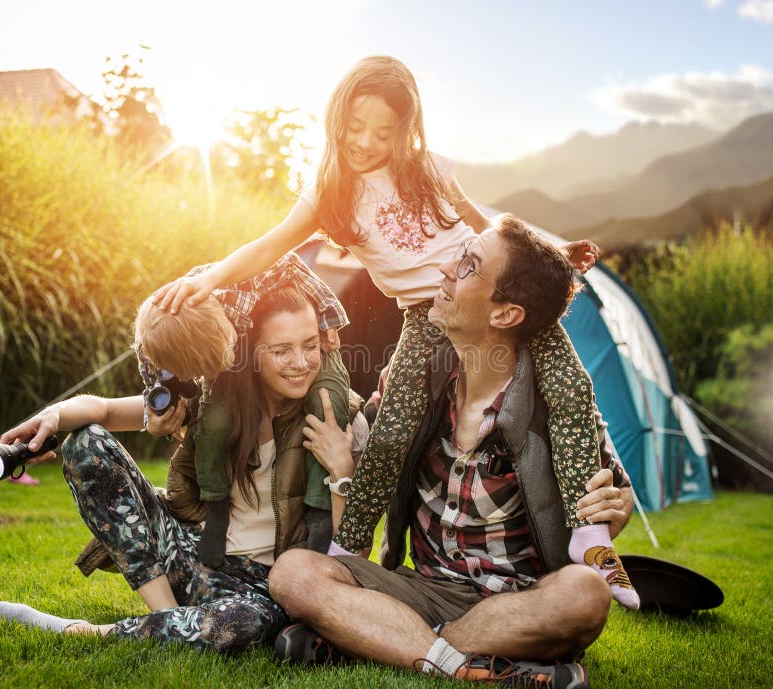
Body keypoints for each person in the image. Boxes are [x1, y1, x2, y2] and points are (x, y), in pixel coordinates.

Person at [152, 55, 637, 607]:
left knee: (573, 394)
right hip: (428, 319)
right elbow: (269, 245)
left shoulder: (427, 168)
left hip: (493, 296)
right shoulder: (329, 195)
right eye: (355, 127)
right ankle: (348, 552)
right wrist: (212, 277)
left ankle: (590, 537)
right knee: (391, 433)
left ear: (405, 130)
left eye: (383, 132)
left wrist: (550, 256)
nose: (365, 141)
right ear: (336, 120)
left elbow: (487, 227)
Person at [267, 216, 635, 689]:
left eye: (467, 265)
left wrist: (616, 505)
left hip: (519, 598)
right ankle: (470, 663)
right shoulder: (414, 384)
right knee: (293, 573)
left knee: (585, 594)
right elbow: (370, 448)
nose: (444, 270)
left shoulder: (552, 400)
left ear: (504, 314)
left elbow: (611, 489)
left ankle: (384, 641)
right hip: (420, 588)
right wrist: (343, 462)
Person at [0, 285, 365, 654]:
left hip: (266, 589)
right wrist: (52, 416)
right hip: (191, 553)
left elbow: (354, 559)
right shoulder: (215, 402)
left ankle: (86, 633)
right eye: (281, 350)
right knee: (86, 444)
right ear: (249, 352)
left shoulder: (341, 420)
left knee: (245, 626)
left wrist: (341, 470)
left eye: (310, 346)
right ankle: (168, 615)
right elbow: (103, 410)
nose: (301, 363)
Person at [136, 250, 353, 567]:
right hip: (264, 337)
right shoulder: (160, 338)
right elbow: (151, 379)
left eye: (219, 360)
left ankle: (319, 512)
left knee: (328, 406)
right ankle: (217, 506)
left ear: (228, 332)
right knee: (214, 419)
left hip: (315, 327)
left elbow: (290, 262)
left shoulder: (234, 288)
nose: (216, 372)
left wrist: (327, 320)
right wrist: (151, 412)